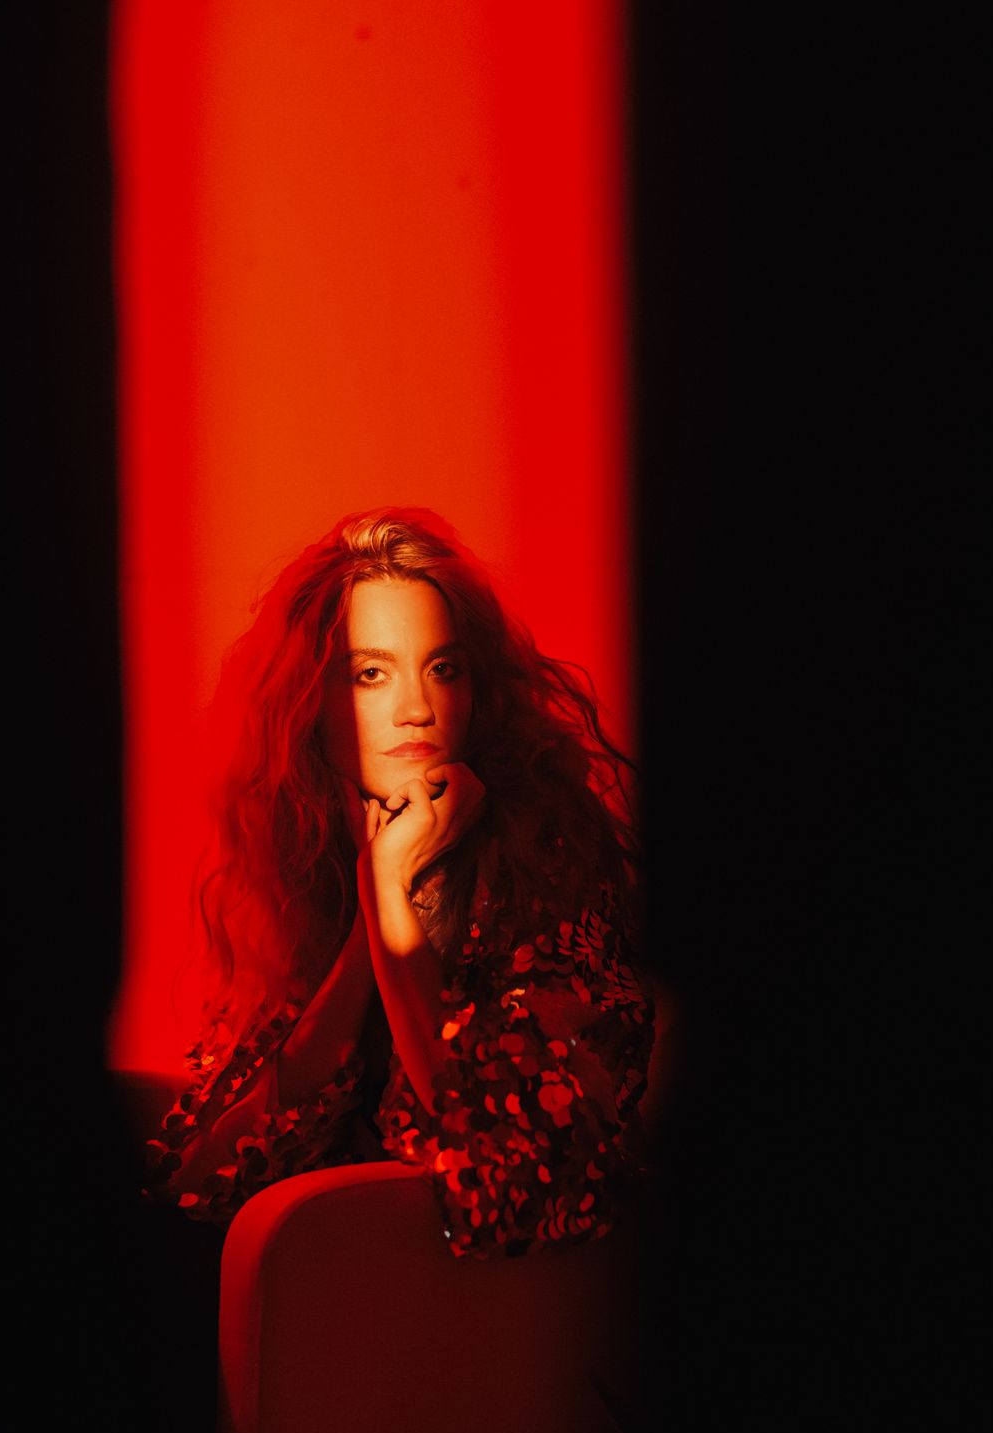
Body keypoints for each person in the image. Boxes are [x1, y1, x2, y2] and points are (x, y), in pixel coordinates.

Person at [142, 507, 653, 1260]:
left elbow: (513, 1183)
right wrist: (366, 921)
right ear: (306, 704)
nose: (416, 709)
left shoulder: (549, 862)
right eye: (370, 674)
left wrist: (393, 905)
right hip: (339, 1307)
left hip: (481, 1322)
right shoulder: (317, 863)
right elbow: (198, 1180)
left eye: (443, 669)